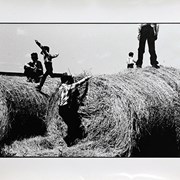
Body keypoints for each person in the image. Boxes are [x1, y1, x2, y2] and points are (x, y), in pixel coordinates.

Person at [58, 74, 91, 146]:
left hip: (60, 109)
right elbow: (78, 84)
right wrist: (86, 79)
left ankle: (70, 138)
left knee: (71, 123)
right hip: (65, 108)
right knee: (73, 123)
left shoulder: (60, 87)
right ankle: (69, 139)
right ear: (67, 81)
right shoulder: (68, 87)